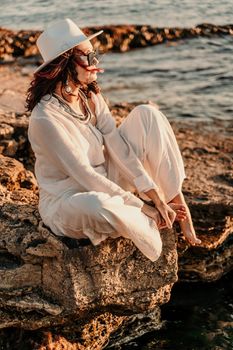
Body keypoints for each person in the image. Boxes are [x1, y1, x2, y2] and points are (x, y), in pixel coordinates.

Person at [26, 18, 201, 262]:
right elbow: (85, 175)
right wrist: (146, 207)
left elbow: (117, 145)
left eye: (94, 55)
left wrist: (156, 197)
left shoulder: (90, 97)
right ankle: (144, 218)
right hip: (69, 199)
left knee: (147, 114)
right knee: (97, 204)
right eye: (87, 57)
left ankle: (176, 205)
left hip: (108, 178)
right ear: (65, 63)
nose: (94, 63)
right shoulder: (45, 119)